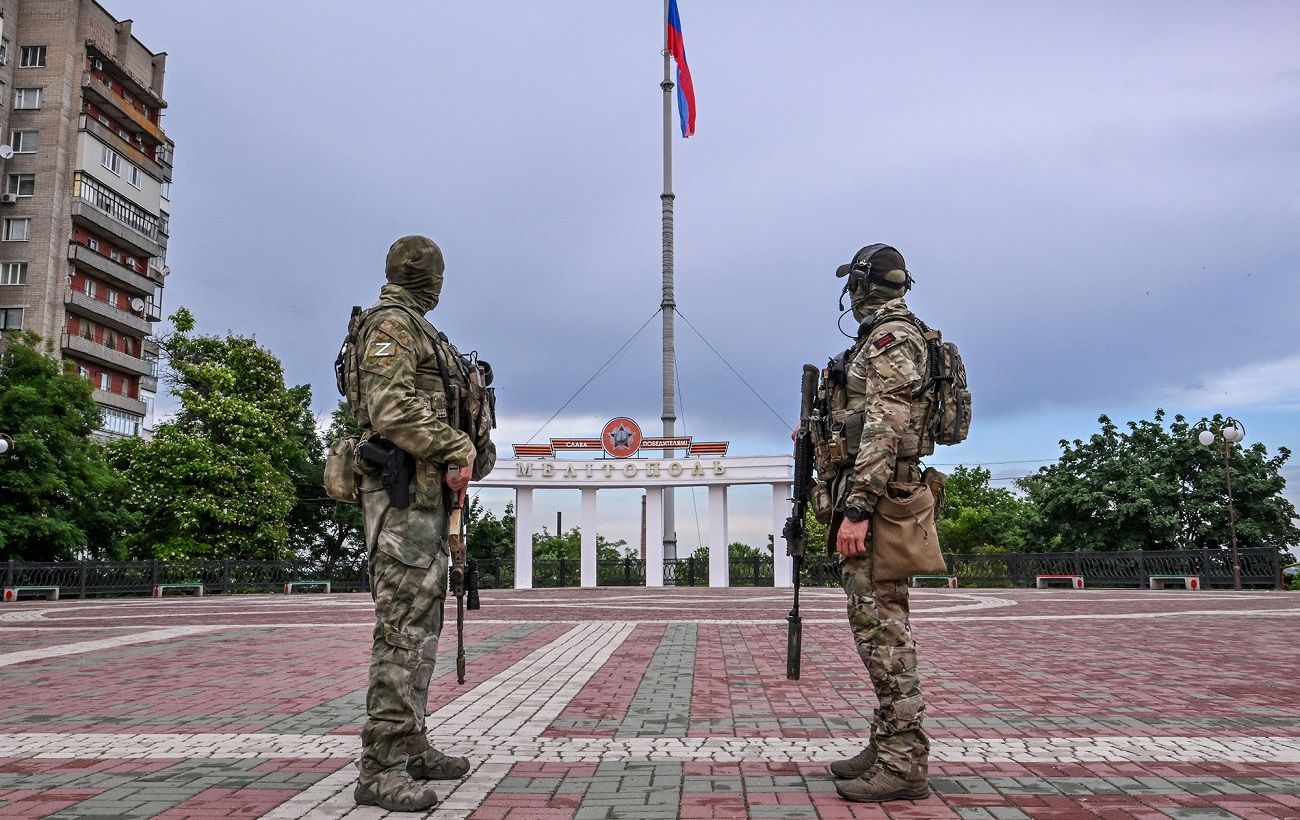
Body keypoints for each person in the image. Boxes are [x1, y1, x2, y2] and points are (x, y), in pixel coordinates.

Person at [347, 235, 495, 812]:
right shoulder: (392, 325)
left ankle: (410, 744)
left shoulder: (419, 327)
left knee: (422, 631)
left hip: (427, 504)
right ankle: (379, 766)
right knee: (402, 632)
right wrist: (458, 446)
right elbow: (389, 409)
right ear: (428, 276)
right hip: (402, 502)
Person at [819, 243, 933, 802]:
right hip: (880, 494)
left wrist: (859, 508)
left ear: (863, 287)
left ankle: (904, 761)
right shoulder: (888, 337)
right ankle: (887, 742)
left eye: (853, 285)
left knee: (883, 629)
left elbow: (885, 426)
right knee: (875, 626)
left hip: (881, 504)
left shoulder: (891, 338)